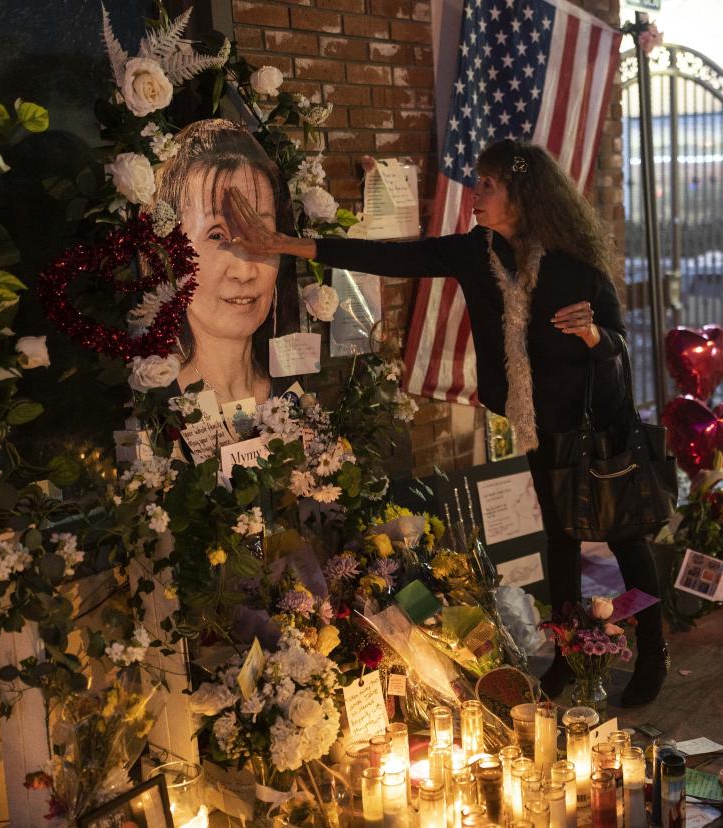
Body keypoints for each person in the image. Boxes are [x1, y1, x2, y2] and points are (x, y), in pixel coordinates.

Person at [224, 139, 668, 706]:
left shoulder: (575, 268)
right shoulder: (474, 254)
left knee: (626, 539)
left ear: (522, 195)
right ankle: (564, 655)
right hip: (540, 425)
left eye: (487, 185)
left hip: (597, 423)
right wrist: (283, 245)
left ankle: (652, 654)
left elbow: (621, 347)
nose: (474, 193)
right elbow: (394, 257)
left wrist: (593, 336)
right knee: (561, 539)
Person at [155, 119, 300, 406]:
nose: (244, 271)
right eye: (216, 235)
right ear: (169, 252)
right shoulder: (155, 400)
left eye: (261, 235)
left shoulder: (290, 391)